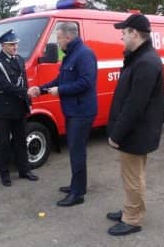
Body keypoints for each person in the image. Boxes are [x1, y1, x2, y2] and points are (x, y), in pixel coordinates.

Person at [105, 14, 164, 236]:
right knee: (132, 175)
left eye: (124, 31)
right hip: (136, 131)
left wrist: (116, 134)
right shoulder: (139, 58)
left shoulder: (146, 62)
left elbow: (134, 105)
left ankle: (132, 219)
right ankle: (129, 210)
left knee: (133, 177)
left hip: (136, 133)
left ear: (134, 33)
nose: (121, 36)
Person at [28, 22, 97, 206]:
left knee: (77, 152)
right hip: (73, 110)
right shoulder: (71, 55)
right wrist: (41, 89)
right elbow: (60, 79)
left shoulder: (84, 54)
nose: (57, 42)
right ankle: (77, 185)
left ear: (68, 37)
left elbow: (86, 83)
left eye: (58, 38)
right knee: (75, 151)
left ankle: (78, 194)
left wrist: (61, 91)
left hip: (82, 112)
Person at [0, 29, 39, 187]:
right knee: (4, 144)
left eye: (16, 44)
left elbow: (24, 81)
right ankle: (4, 174)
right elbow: (2, 85)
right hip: (4, 111)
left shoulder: (19, 59)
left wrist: (28, 101)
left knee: (20, 141)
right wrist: (25, 91)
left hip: (19, 108)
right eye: (11, 45)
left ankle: (24, 170)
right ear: (3, 45)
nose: (15, 47)